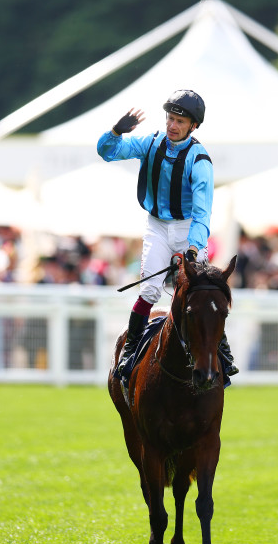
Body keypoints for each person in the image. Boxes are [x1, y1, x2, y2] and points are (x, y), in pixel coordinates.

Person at [97, 89, 237, 390]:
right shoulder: (150, 143)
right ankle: (131, 351)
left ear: (193, 126)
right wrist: (114, 132)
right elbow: (107, 151)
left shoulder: (200, 161)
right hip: (157, 226)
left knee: (201, 292)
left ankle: (222, 355)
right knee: (149, 290)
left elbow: (202, 213)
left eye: (180, 121)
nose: (172, 125)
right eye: (170, 119)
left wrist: (193, 246)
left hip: (189, 229)